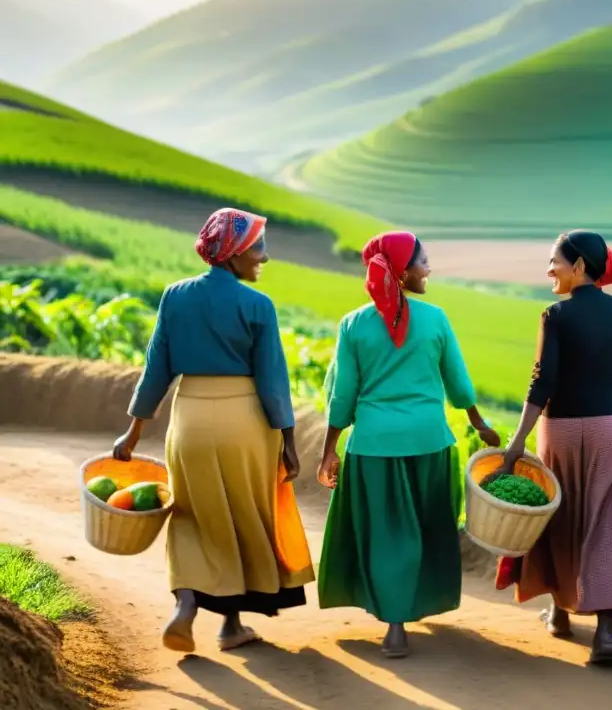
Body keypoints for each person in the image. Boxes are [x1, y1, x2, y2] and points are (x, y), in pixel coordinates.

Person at [112, 207, 315, 654]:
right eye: (258, 247)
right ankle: (229, 627)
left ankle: (187, 607)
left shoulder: (175, 296)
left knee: (194, 515)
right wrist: (289, 442)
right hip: (246, 425)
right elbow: (272, 380)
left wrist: (133, 432)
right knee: (240, 516)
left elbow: (156, 369)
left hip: (190, 421)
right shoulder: (257, 306)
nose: (265, 256)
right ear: (234, 253)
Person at [316, 230, 499, 659]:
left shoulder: (354, 324)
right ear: (401, 271)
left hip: (374, 447)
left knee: (385, 534)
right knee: (425, 525)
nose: (428, 269)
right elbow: (458, 381)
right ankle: (411, 607)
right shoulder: (435, 319)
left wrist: (330, 449)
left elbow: (342, 396)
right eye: (422, 261)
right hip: (430, 442)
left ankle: (394, 623)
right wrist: (479, 422)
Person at [495, 230, 612, 666]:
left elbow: (542, 381)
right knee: (608, 521)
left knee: (562, 517)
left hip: (564, 429)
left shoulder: (555, 315)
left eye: (554, 260)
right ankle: (605, 633)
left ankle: (558, 611)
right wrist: (605, 373)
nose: (549, 269)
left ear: (579, 266)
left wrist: (515, 445)